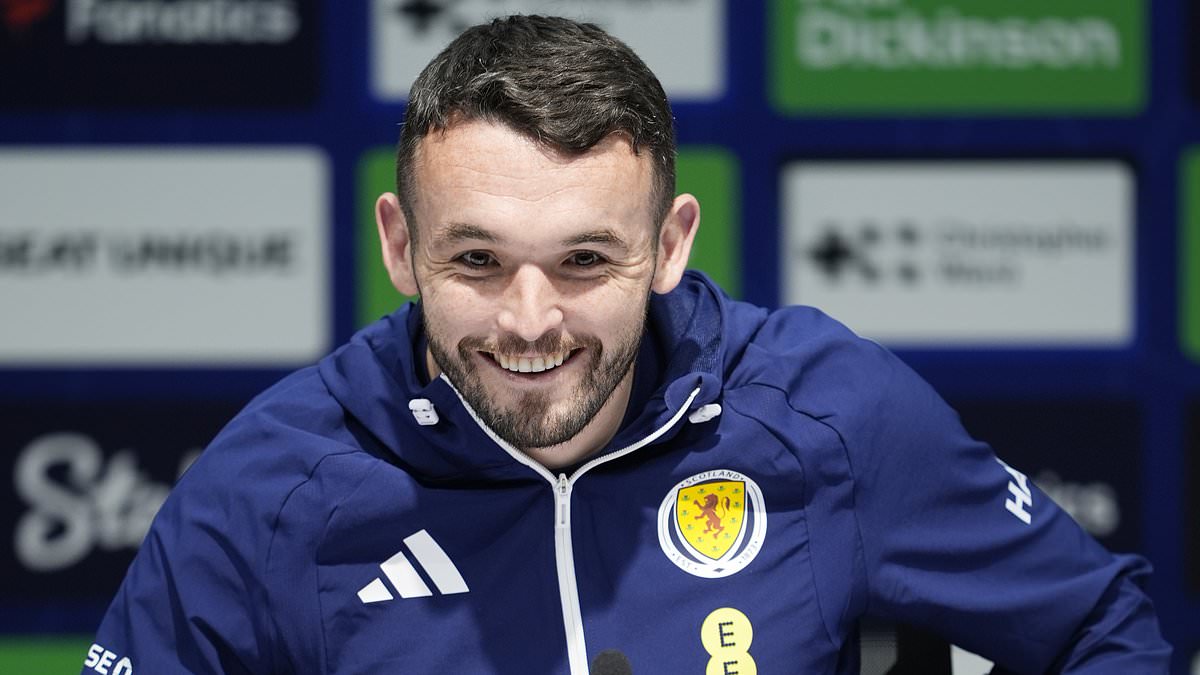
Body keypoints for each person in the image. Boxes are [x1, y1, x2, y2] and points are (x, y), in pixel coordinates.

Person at [84, 15, 1170, 675]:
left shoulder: (824, 412)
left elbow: (1097, 624)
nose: (529, 320)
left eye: (584, 260)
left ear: (669, 245)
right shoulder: (268, 487)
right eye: (477, 260)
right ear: (401, 246)